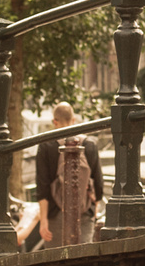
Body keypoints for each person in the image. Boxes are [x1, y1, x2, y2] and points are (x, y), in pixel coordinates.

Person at [32, 102, 103, 247]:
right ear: (73, 120)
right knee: (83, 256)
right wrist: (94, 211)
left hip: (55, 214)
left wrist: (43, 220)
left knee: (56, 257)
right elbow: (99, 184)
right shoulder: (90, 144)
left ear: (54, 122)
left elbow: (42, 187)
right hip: (84, 214)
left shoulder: (46, 146)